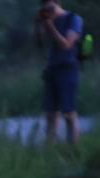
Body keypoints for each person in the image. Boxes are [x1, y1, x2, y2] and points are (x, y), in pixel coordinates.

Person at [36, 0, 83, 145]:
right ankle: (49, 148)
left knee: (68, 111)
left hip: (68, 68)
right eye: (43, 3)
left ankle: (73, 148)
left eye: (48, 3)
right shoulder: (47, 20)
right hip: (52, 68)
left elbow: (66, 44)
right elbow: (39, 43)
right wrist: (38, 24)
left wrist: (49, 24)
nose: (45, 6)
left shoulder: (73, 19)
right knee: (50, 113)